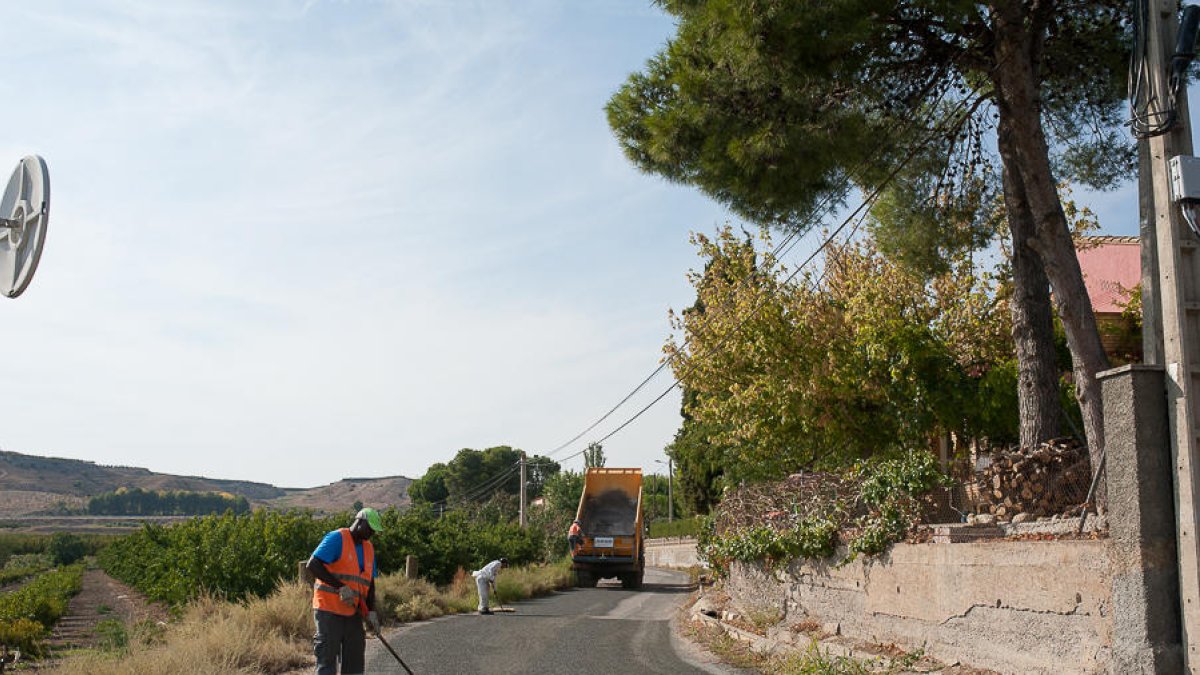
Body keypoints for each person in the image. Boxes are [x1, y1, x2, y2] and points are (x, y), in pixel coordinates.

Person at [306, 507, 383, 675]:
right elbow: (313, 565)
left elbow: (370, 584)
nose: (372, 533)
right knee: (327, 664)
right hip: (329, 611)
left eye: (374, 531)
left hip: (353, 613)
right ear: (360, 522)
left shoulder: (369, 548)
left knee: (355, 664)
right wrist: (339, 586)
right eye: (370, 529)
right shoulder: (337, 538)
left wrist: (371, 613)